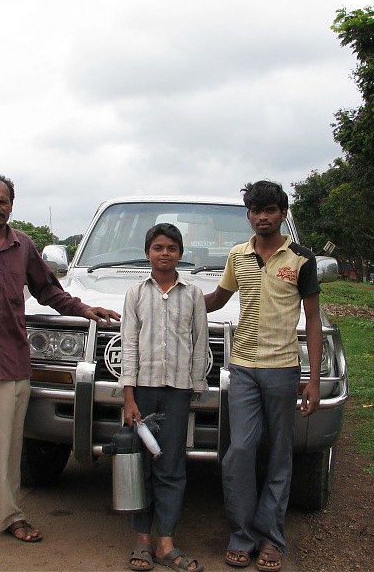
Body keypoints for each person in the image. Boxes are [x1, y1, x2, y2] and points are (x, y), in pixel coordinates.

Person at [0, 174, 120, 551]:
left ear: (11, 205)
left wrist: (83, 309)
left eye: (2, 201)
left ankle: (12, 515)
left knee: (11, 445)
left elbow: (47, 289)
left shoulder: (23, 246)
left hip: (15, 363)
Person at [204, 180, 322, 572]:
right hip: (242, 368)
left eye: (270, 210)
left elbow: (313, 320)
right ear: (249, 215)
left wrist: (314, 379)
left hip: (283, 369)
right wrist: (171, 295)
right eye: (255, 211)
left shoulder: (301, 259)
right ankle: (242, 535)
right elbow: (218, 300)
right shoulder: (238, 256)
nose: (262, 217)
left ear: (283, 213)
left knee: (278, 454)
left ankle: (271, 539)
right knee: (240, 450)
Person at [120, 223, 208, 572]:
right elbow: (129, 345)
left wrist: (195, 388)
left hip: (177, 392)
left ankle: (166, 542)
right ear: (148, 253)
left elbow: (199, 344)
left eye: (172, 247)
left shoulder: (193, 294)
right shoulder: (136, 293)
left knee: (171, 466)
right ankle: (141, 539)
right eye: (158, 247)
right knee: (141, 465)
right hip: (143, 391)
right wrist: (129, 396)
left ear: (180, 254)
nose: (165, 253)